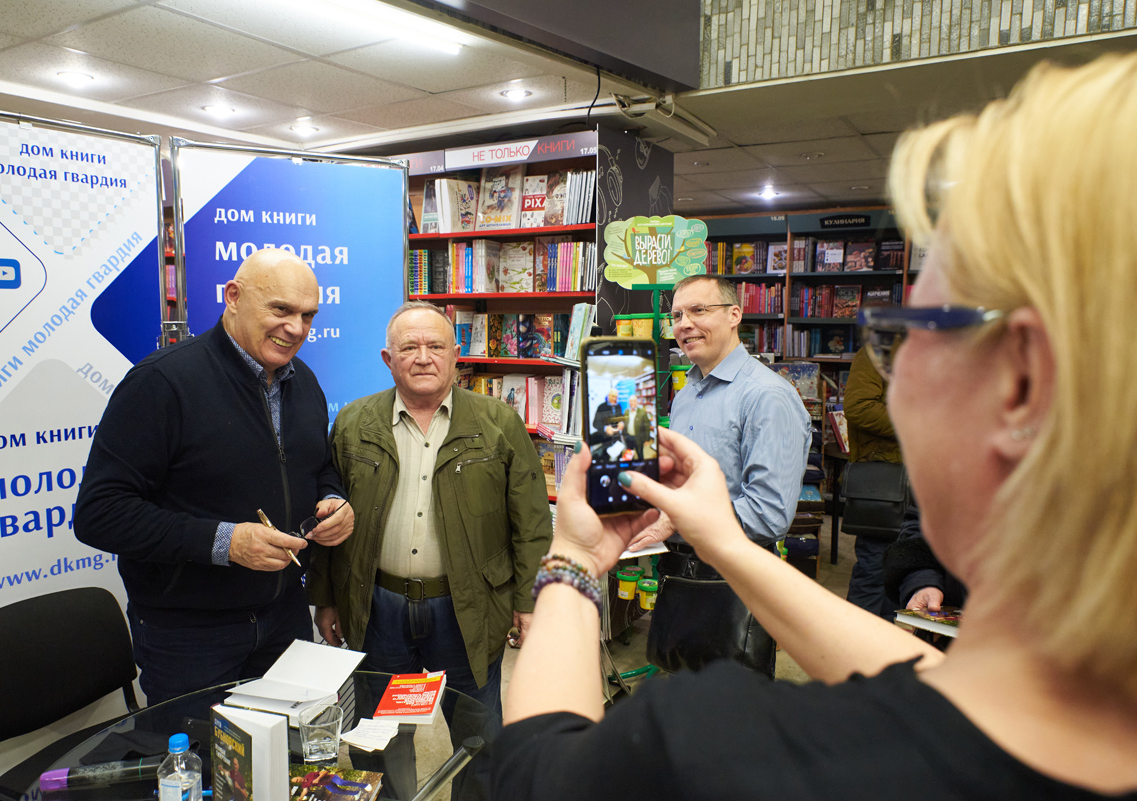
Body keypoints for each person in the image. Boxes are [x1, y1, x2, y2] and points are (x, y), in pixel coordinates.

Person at [487, 54, 1137, 799]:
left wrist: (572, 560)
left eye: (905, 336)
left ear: (1021, 383)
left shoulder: (718, 753)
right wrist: (721, 538)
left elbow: (534, 773)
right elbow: (930, 685)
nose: (892, 381)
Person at [76, 248, 354, 707]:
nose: (296, 328)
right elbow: (99, 514)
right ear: (233, 297)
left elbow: (316, 464)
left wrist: (333, 498)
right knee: (198, 753)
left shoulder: (302, 380)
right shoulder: (161, 382)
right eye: (281, 309)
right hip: (190, 635)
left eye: (307, 315)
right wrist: (226, 542)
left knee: (287, 745)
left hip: (284, 617)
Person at [307, 301, 551, 796]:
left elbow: (531, 522)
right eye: (409, 347)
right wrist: (326, 598)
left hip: (468, 607)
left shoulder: (498, 422)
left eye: (436, 346)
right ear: (387, 358)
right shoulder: (353, 423)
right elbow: (331, 519)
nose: (423, 357)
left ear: (456, 355)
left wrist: (528, 601)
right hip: (377, 606)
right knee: (377, 733)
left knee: (480, 732)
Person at [628, 274, 811, 677]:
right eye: (677, 315)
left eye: (698, 310)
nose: (684, 324)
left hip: (733, 583)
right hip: (679, 574)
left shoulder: (767, 396)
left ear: (734, 315)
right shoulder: (687, 394)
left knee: (732, 707)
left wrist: (678, 518)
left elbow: (769, 513)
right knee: (682, 697)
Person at [842, 342, 905, 620]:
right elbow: (859, 407)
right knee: (874, 569)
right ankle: (854, 643)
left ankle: (887, 640)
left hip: (933, 481)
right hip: (886, 481)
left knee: (907, 572)